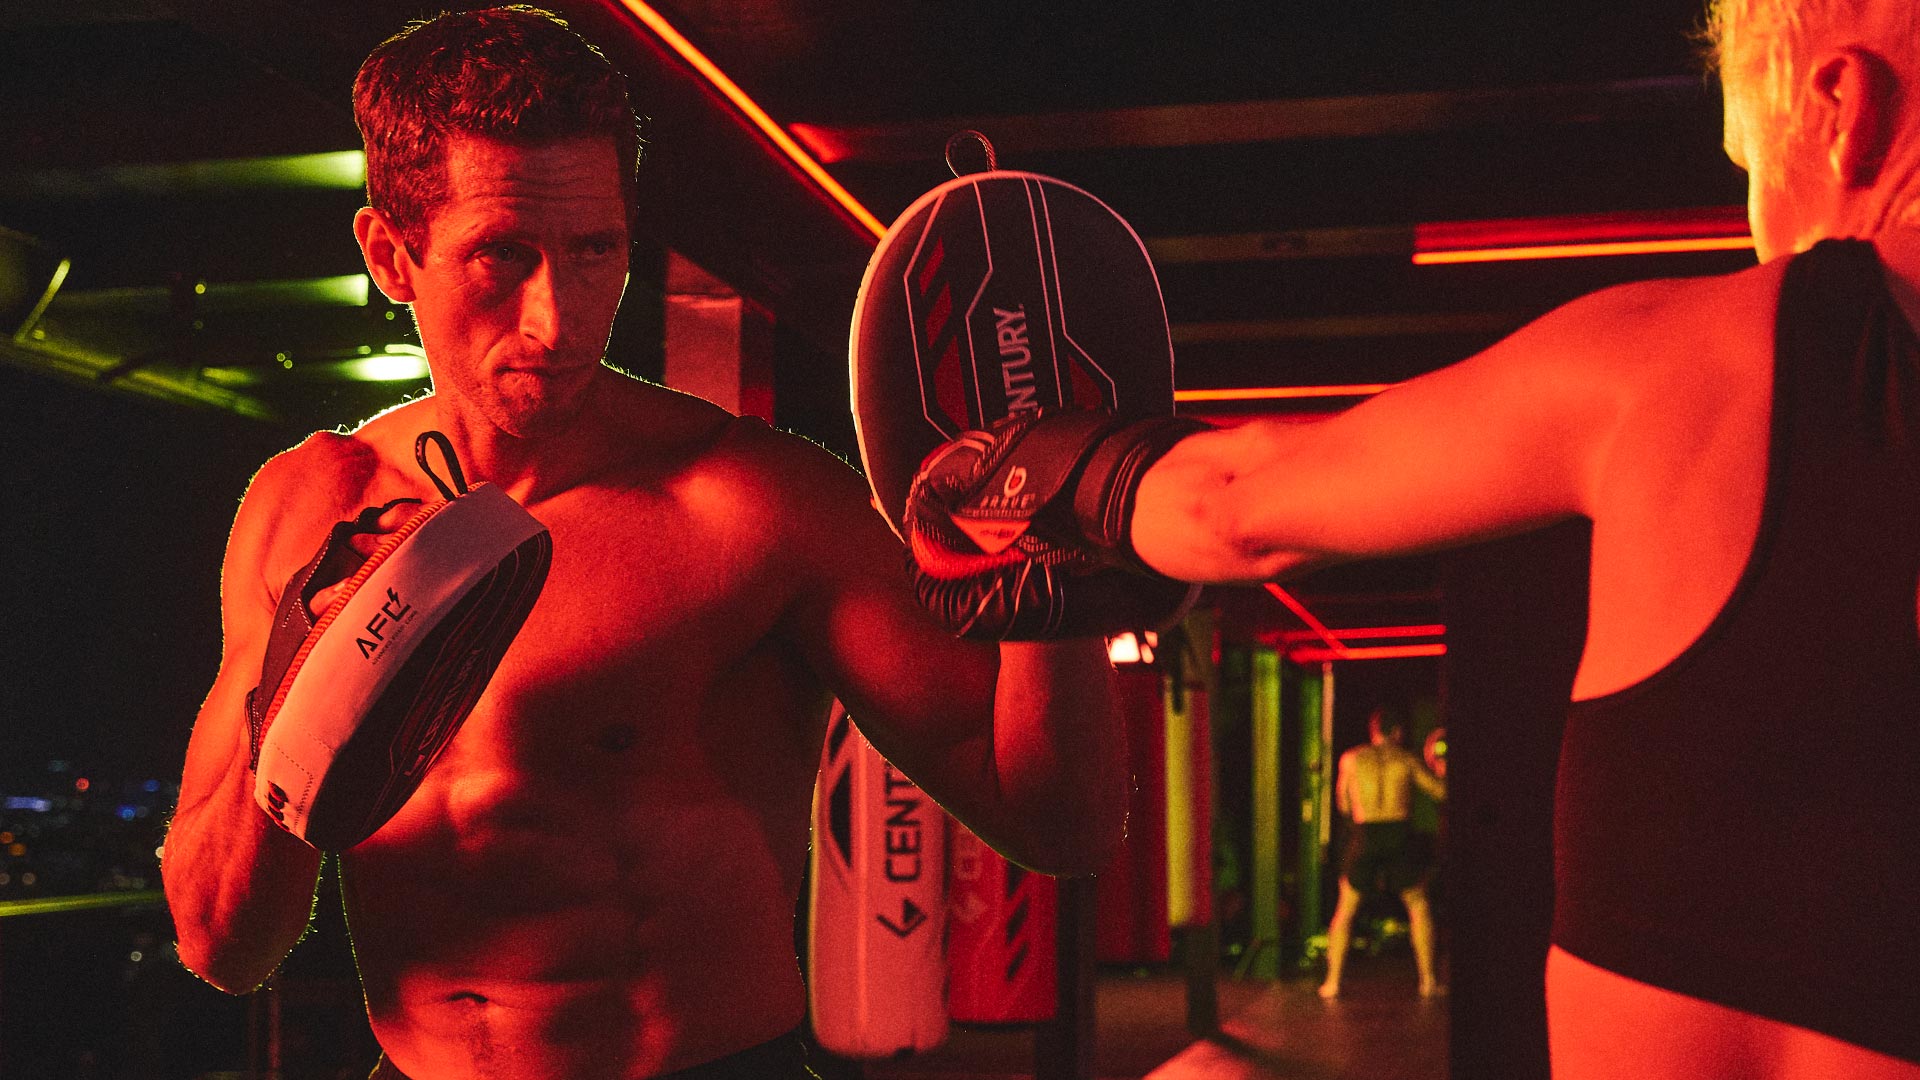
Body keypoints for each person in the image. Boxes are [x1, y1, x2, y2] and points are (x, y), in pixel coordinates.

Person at [907, 0, 1920, 1075]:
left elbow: (1235, 506)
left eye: (1748, 162)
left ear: (1840, 108)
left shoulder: (1709, 355)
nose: (1753, 220)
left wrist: (1018, 470)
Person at [160, 10, 1128, 1080]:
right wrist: (302, 698)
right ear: (393, 256)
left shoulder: (755, 504)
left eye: (594, 251)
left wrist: (1055, 562)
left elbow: (1059, 828)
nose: (558, 319)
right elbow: (220, 946)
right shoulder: (306, 507)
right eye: (502, 257)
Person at [1317, 707, 1445, 1000]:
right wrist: (1441, 769)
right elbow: (1440, 793)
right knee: (1417, 904)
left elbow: (1344, 805)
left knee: (1346, 908)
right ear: (1397, 732)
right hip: (1397, 833)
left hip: (1367, 834)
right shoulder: (1406, 759)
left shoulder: (1351, 759)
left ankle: (1332, 982)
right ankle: (1428, 981)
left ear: (1373, 730)